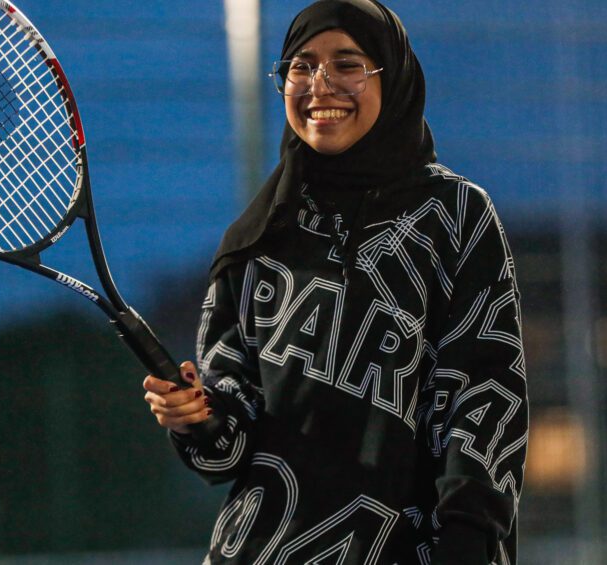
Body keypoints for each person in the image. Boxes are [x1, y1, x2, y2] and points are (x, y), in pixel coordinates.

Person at [142, 1, 528, 563]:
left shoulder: (456, 214)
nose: (320, 84)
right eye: (301, 66)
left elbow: (487, 396)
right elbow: (227, 451)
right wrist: (199, 419)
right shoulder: (258, 236)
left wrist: (468, 536)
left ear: (391, 77)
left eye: (347, 64)